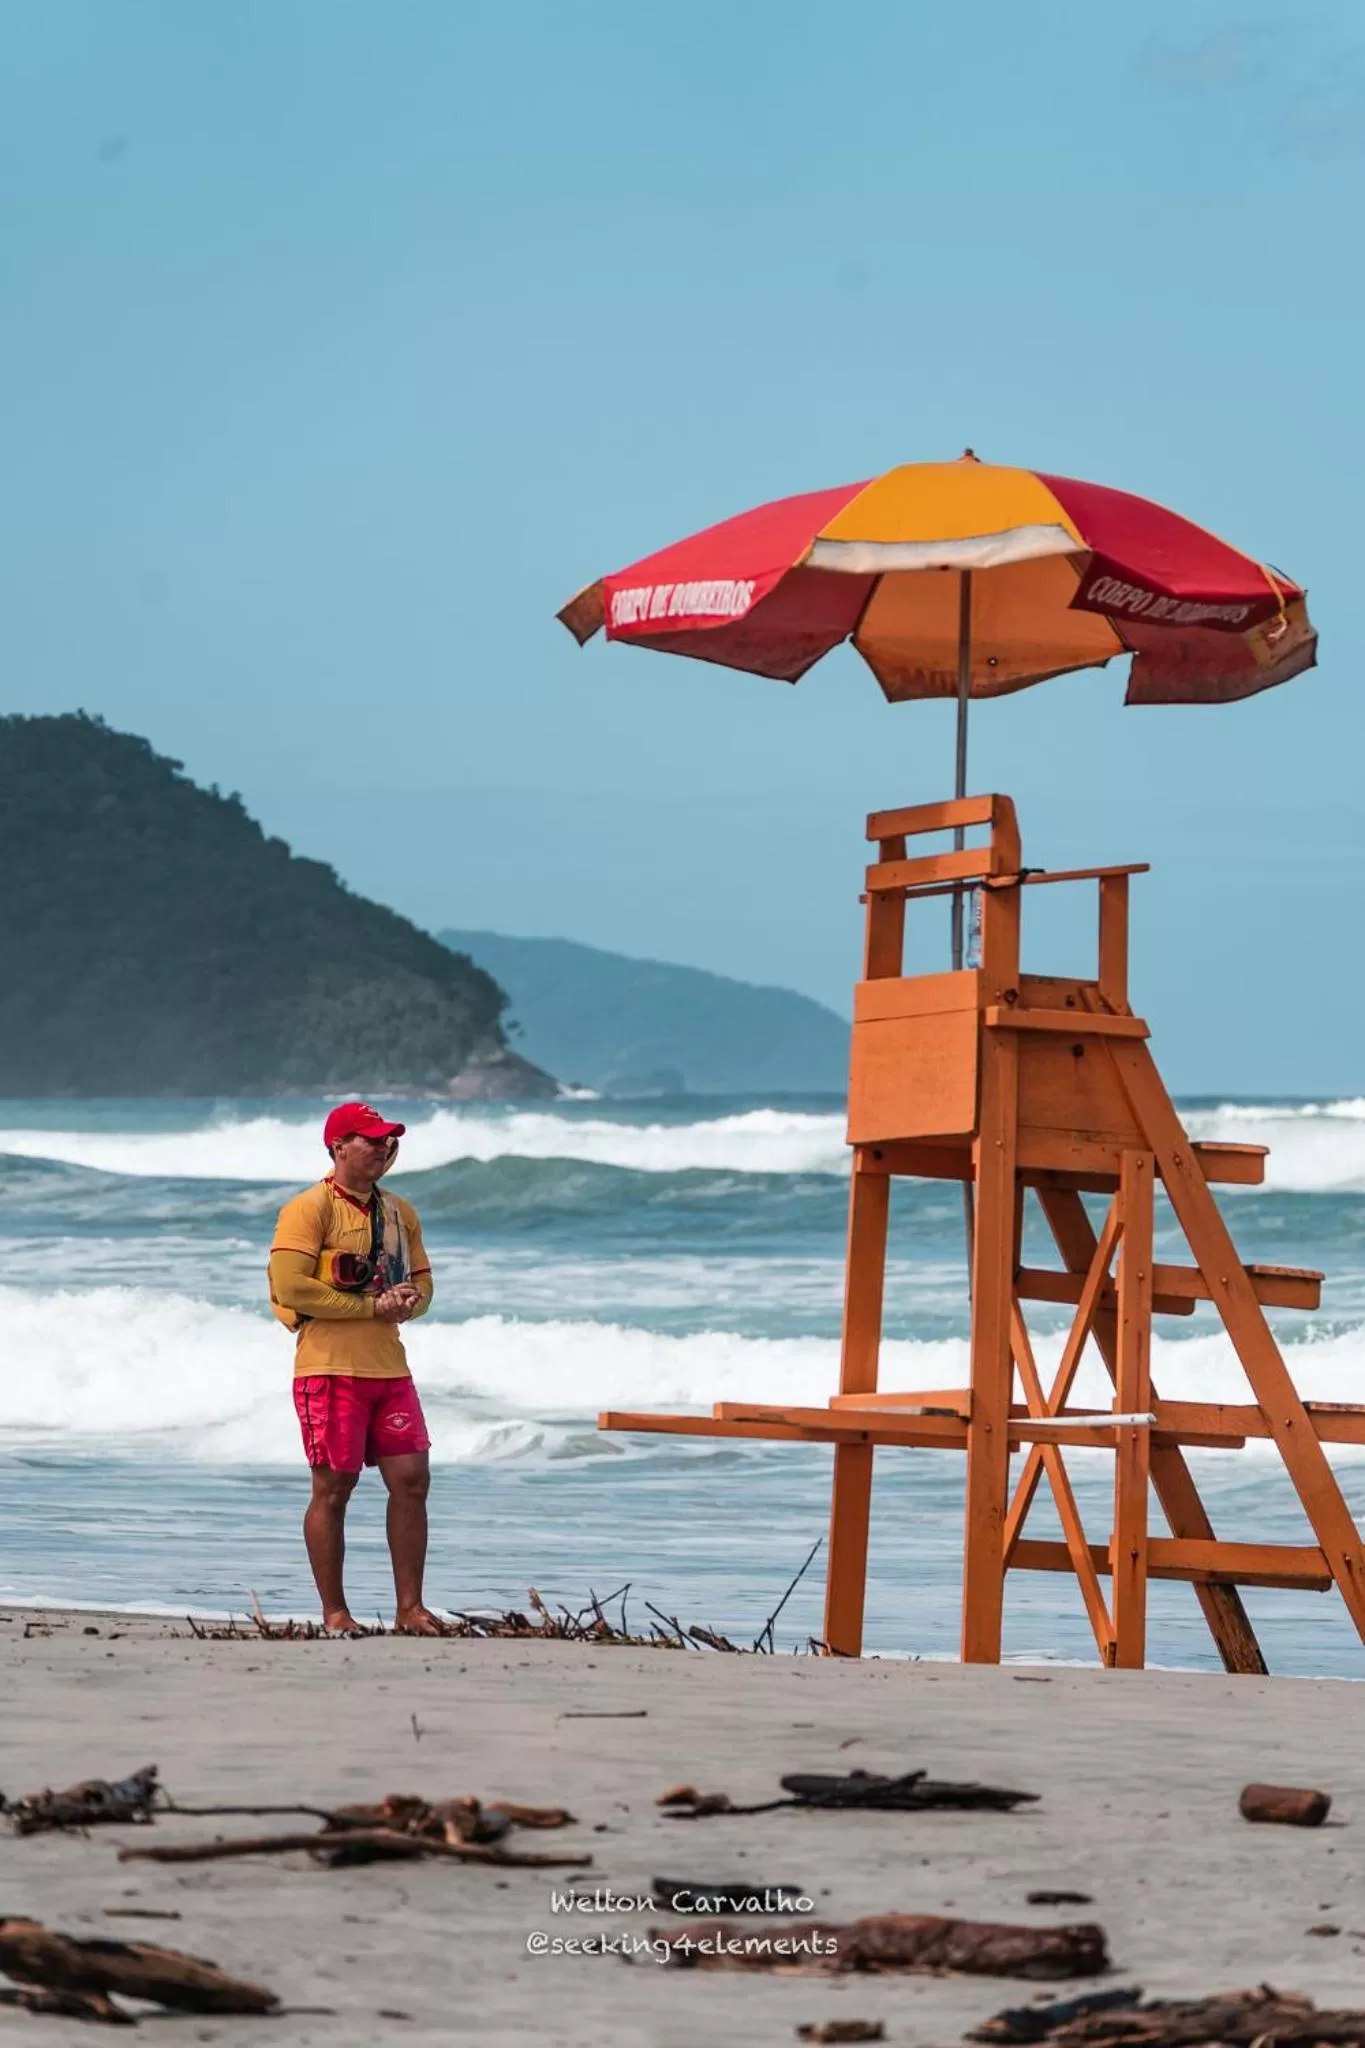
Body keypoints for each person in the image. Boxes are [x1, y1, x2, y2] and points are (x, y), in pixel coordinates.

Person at [268, 1101, 445, 1635]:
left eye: (389, 1140)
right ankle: (335, 1613)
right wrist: (371, 1306)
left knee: (412, 1481)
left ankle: (410, 1609)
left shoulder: (399, 1212)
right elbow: (291, 1287)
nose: (383, 1148)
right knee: (333, 1486)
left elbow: (426, 1284)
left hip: (389, 1369)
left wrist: (410, 1302)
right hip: (329, 1368)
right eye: (370, 1139)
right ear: (339, 1146)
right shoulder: (309, 1208)